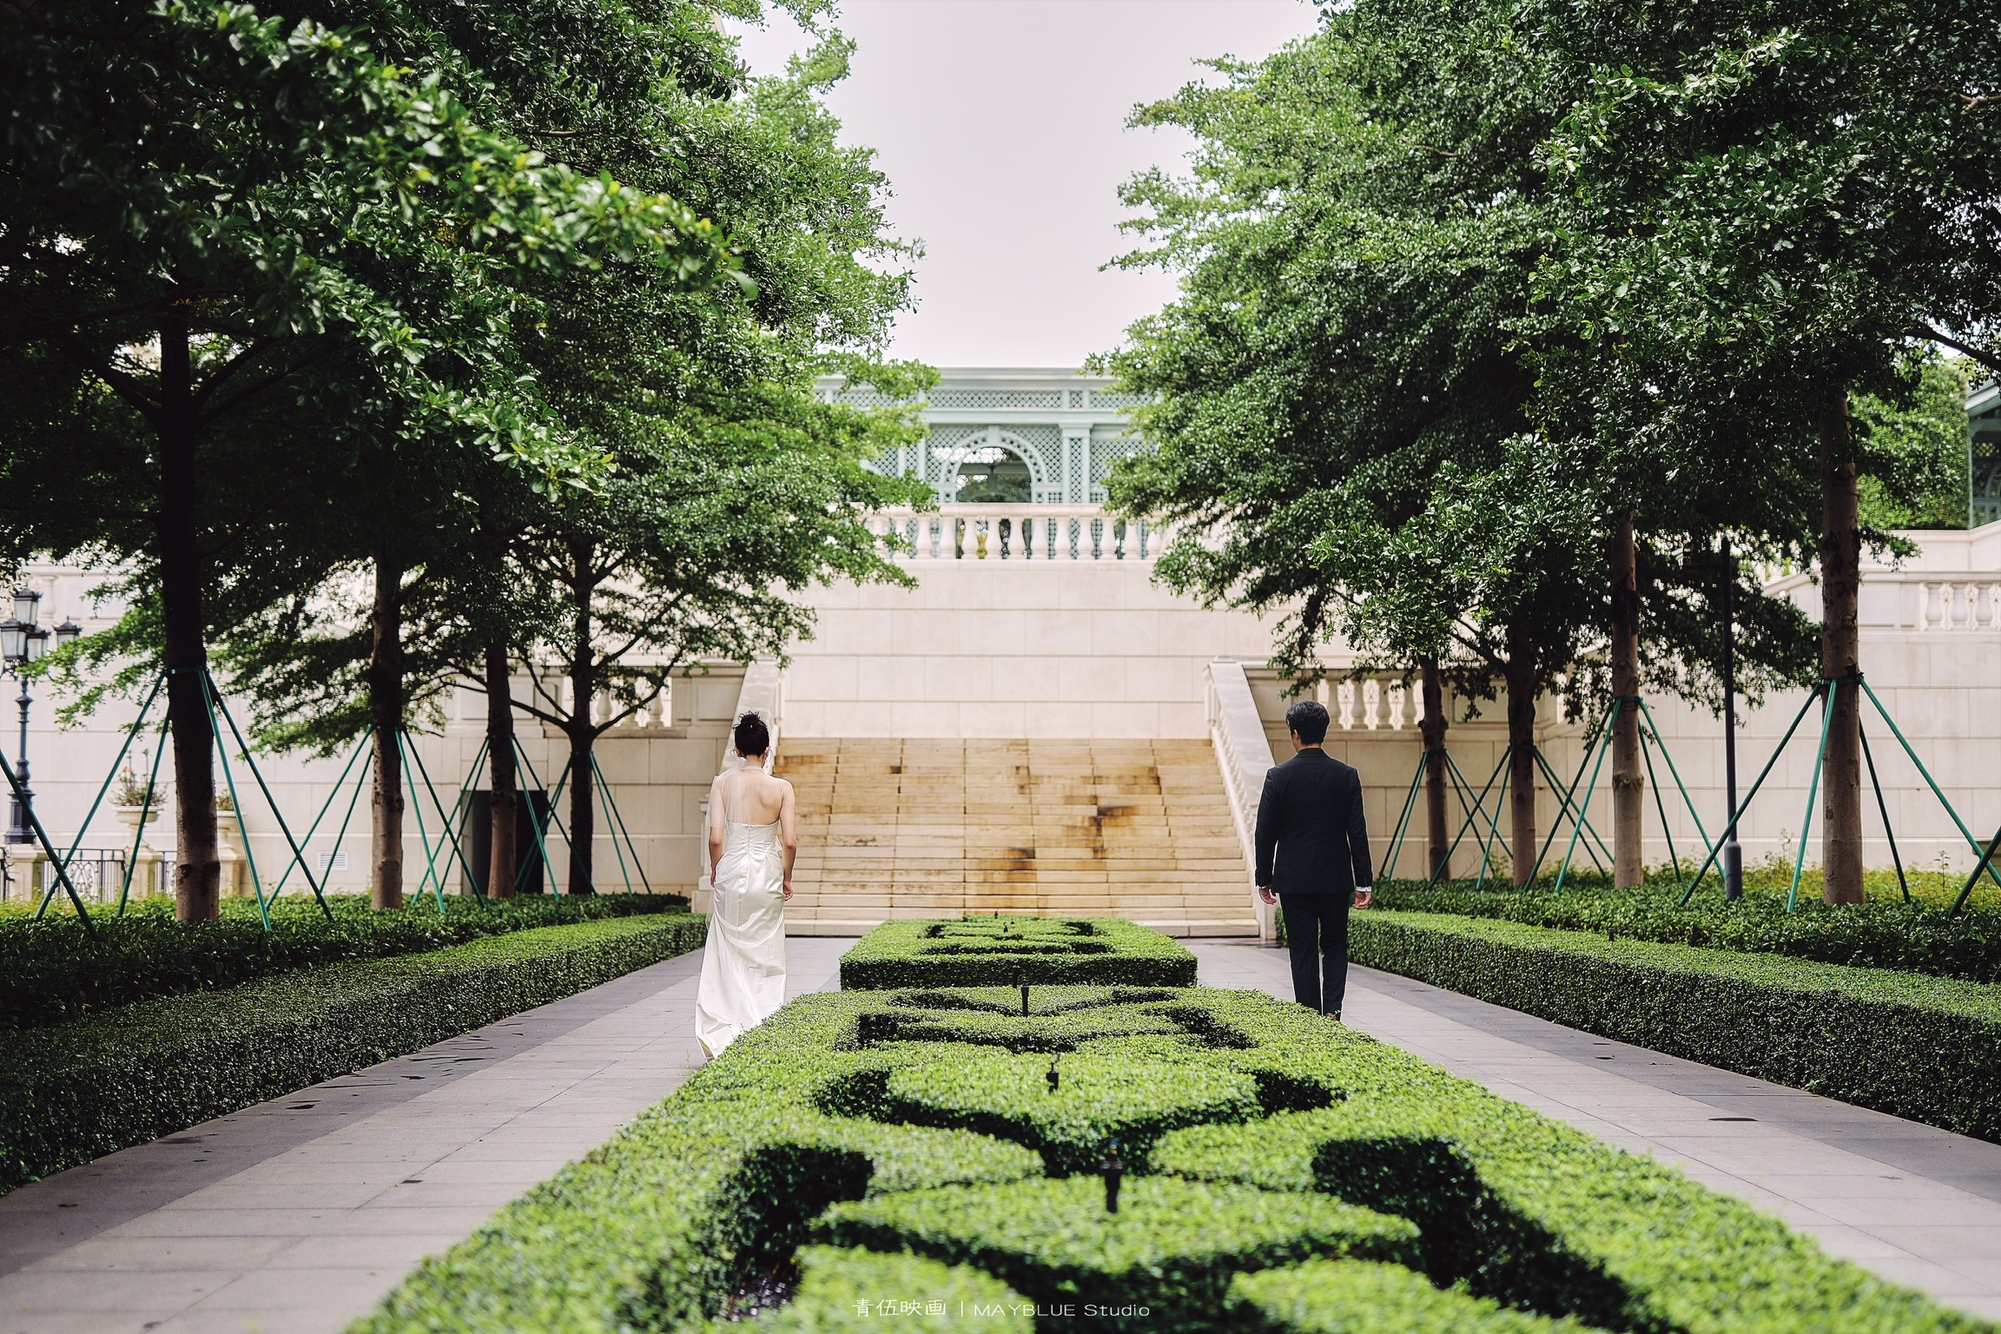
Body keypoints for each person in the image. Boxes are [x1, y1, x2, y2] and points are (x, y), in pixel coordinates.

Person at [1254, 698, 1372, 1020]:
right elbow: (1357, 832)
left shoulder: (1278, 777)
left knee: (1303, 950)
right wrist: (1363, 881)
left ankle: (1309, 1016)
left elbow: (1265, 833)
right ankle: (1332, 1010)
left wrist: (1264, 877)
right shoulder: (1347, 776)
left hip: (1294, 881)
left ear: (1295, 734)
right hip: (1336, 879)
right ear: (1324, 731)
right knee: (1335, 945)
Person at [694, 711, 797, 1058]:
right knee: (766, 954)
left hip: (732, 870)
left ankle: (725, 1031)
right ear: (767, 751)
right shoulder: (782, 788)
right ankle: (762, 1027)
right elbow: (790, 842)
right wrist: (786, 877)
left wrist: (716, 869)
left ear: (737, 751)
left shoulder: (722, 784)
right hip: (767, 872)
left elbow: (715, 838)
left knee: (727, 952)